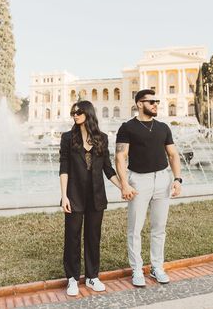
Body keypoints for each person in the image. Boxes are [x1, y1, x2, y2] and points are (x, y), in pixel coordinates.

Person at [115, 89, 182, 287]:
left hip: (163, 179)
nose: (155, 104)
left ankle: (156, 267)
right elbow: (120, 157)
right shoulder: (127, 127)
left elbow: (173, 155)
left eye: (156, 101)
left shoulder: (163, 127)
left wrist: (177, 179)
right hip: (138, 181)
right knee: (135, 229)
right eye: (150, 101)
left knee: (159, 228)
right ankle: (137, 270)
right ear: (139, 104)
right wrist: (125, 184)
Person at [59, 100, 121, 296]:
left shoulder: (102, 138)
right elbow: (64, 168)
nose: (75, 115)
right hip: (74, 196)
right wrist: (64, 196)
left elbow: (108, 169)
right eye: (73, 113)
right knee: (72, 237)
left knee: (93, 237)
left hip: (96, 197)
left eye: (78, 112)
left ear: (88, 113)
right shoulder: (68, 138)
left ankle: (93, 277)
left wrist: (123, 187)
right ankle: (72, 278)